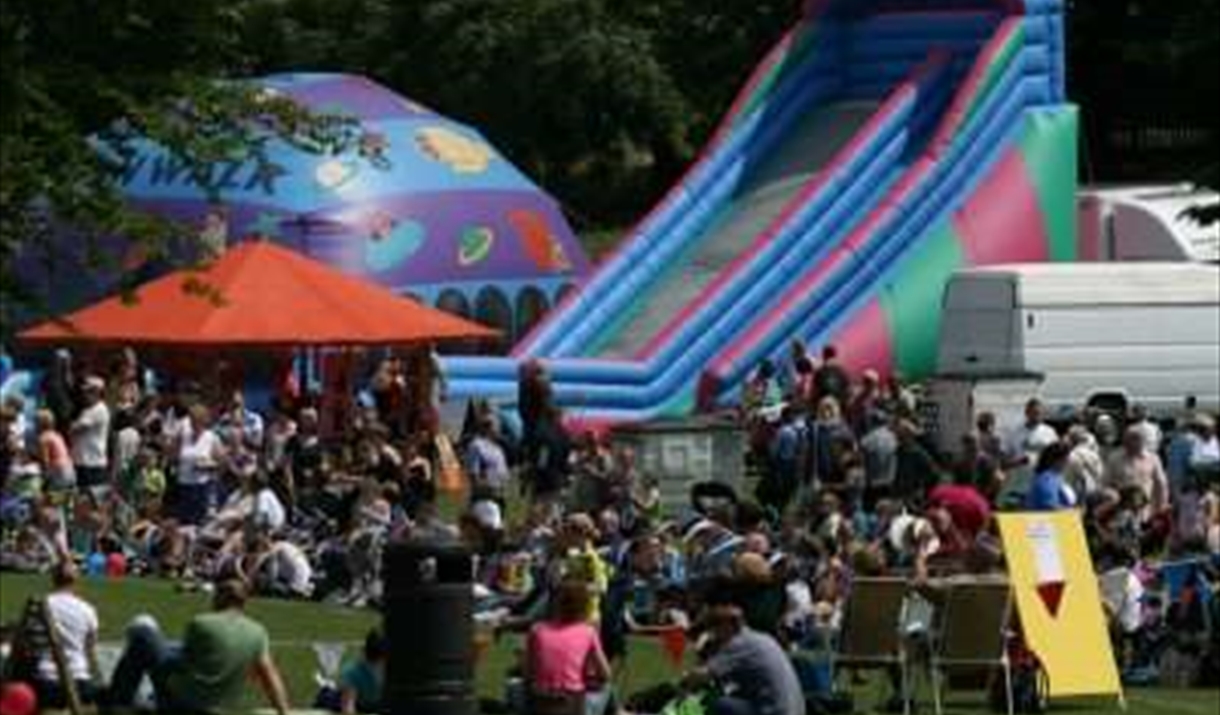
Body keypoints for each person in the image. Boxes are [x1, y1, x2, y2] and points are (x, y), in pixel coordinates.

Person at [106, 579, 291, 715]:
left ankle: (119, 701)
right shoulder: (259, 632)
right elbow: (270, 675)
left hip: (182, 702)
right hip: (221, 706)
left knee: (142, 634)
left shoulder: (202, 623)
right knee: (163, 645)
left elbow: (180, 664)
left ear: (219, 597)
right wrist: (283, 712)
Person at [683, 603, 806, 715]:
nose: (713, 634)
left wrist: (683, 680)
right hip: (795, 710)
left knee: (716, 704)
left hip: (775, 711)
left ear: (727, 626)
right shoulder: (762, 637)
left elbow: (703, 676)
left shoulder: (738, 644)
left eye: (714, 627)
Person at [524, 578, 613, 715]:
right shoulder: (588, 632)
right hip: (573, 703)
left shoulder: (537, 630)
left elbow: (529, 673)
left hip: (540, 701)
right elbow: (606, 674)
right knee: (607, 688)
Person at [34, 561, 100, 708]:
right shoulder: (87, 609)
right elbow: (90, 649)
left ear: (53, 579)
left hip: (47, 683)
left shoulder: (42, 605)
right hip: (80, 684)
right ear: (76, 580)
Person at [1105, 426, 1170, 519]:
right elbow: (1105, 483)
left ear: (1141, 441)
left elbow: (1161, 483)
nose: (1126, 443)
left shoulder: (1153, 458)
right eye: (1125, 440)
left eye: (1133, 440)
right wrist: (1111, 495)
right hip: (1121, 509)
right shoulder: (1114, 458)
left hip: (1145, 509)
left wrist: (1162, 505)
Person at [69, 376, 110, 491]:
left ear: (98, 392)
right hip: (82, 462)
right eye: (85, 392)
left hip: (92, 463)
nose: (85, 395)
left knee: (93, 501)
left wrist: (72, 426)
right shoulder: (88, 410)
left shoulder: (98, 409)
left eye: (90, 391)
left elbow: (75, 429)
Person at [1025, 441, 1075, 511]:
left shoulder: (1057, 477)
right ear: (1058, 460)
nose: (1069, 461)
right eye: (1067, 458)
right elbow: (1049, 507)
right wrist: (1070, 512)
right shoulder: (1046, 479)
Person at [35, 409, 75, 495]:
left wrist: (43, 480)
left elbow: (45, 462)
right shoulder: (57, 435)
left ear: (40, 423)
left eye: (36, 421)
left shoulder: (43, 438)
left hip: (58, 473)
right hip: (70, 471)